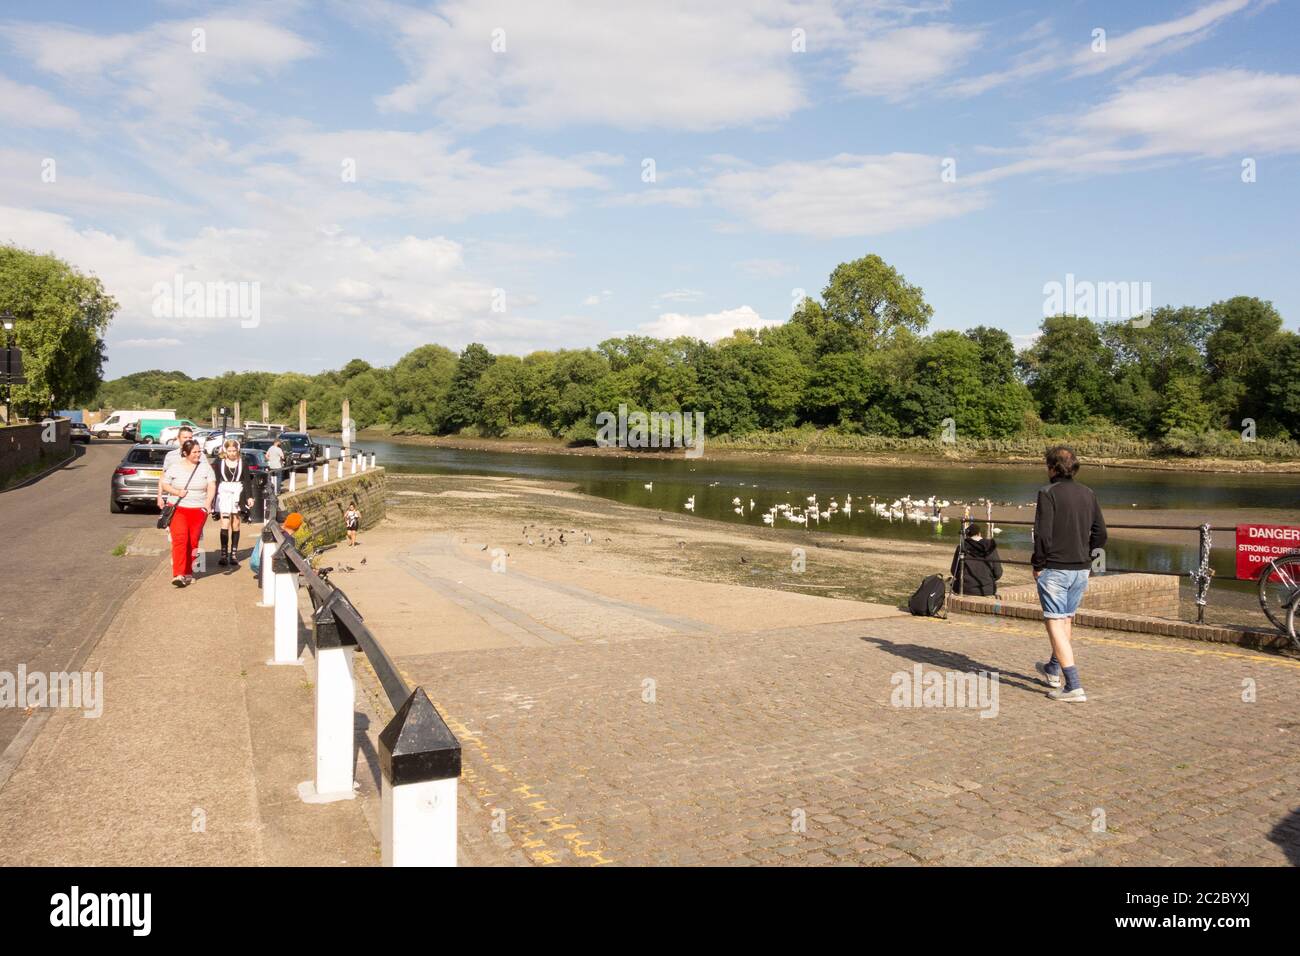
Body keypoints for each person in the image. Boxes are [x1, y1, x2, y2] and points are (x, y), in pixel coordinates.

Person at [1032, 445, 1107, 702]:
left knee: (1054, 621)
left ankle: (1073, 685)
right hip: (1081, 568)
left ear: (1052, 468)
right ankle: (1053, 668)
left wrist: (1038, 564)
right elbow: (1101, 533)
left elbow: (1042, 534)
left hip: (1055, 567)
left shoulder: (1047, 493)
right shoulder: (1088, 493)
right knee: (1065, 619)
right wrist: (1089, 555)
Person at [160, 438, 216, 587]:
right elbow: (164, 483)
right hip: (178, 508)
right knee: (180, 539)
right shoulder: (175, 467)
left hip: (198, 510)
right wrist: (176, 491)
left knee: (193, 541)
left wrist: (207, 504)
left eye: (199, 451)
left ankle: (188, 572)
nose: (198, 455)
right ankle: (178, 574)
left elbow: (211, 486)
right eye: (194, 452)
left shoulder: (205, 467)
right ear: (185, 453)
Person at [214, 439, 255, 568]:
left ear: (238, 450)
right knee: (225, 522)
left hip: (238, 492)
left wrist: (249, 497)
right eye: (229, 451)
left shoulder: (243, 463)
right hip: (224, 493)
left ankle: (233, 554)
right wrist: (212, 499)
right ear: (225, 451)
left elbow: (247, 481)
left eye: (234, 451)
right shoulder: (219, 463)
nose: (232, 453)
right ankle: (223, 554)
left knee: (236, 523)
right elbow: (215, 481)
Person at [950, 524, 1003, 596]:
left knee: (952, 583)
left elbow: (954, 570)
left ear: (968, 535)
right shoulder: (990, 547)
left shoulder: (962, 547)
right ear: (979, 533)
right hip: (986, 589)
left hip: (965, 587)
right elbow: (998, 572)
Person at [250, 511, 304, 581]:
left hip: (257, 564)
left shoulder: (276, 531)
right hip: (267, 570)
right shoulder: (288, 539)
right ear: (297, 528)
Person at [156, 424, 195, 508]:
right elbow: (163, 477)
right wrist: (160, 496)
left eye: (190, 437)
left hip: (195, 499)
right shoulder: (171, 456)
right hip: (175, 499)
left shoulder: (200, 455)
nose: (188, 440)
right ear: (178, 438)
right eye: (185, 437)